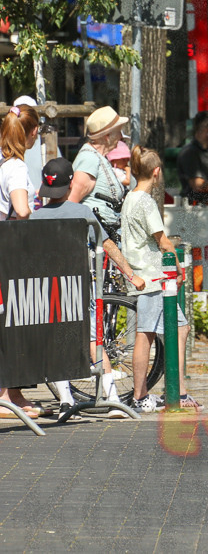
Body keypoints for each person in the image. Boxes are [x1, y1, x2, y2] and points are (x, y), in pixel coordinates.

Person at [31, 158, 147, 419]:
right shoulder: (83, 213)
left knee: (55, 343)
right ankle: (113, 397)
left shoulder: (36, 217)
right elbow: (107, 246)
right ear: (71, 182)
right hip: (81, 290)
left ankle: (65, 400)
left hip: (48, 294)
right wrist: (131, 274)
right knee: (95, 342)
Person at [121, 146, 203, 413]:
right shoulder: (145, 202)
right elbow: (163, 241)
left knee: (180, 329)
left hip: (149, 275)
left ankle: (177, 391)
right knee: (145, 334)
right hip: (150, 276)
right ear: (157, 172)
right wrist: (179, 268)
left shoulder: (130, 198)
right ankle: (140, 394)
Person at [0, 103, 41, 418]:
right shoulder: (15, 167)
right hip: (8, 252)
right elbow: (22, 209)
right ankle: (5, 394)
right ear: (31, 133)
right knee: (8, 323)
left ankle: (12, 391)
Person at [69, 106, 129, 228]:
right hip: (97, 240)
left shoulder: (99, 157)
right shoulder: (88, 159)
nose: (121, 137)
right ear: (107, 136)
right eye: (119, 132)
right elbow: (71, 203)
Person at [0, 104, 39, 221]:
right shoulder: (17, 166)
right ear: (34, 131)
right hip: (10, 236)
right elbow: (22, 212)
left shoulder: (4, 161)